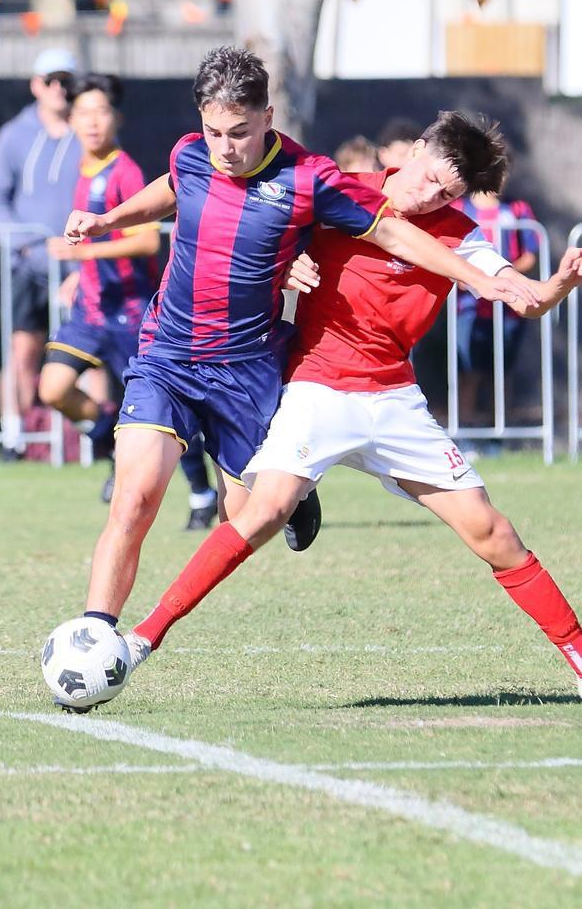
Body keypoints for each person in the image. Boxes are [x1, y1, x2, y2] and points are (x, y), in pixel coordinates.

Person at [58, 49, 533, 685]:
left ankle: (296, 494)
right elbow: (171, 191)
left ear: (268, 118)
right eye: (213, 132)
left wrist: (483, 278)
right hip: (167, 355)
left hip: (248, 368)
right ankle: (96, 637)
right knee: (136, 497)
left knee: (244, 514)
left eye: (239, 133)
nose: (224, 148)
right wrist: (108, 218)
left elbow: (393, 233)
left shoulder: (312, 178)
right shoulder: (189, 153)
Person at [122, 110, 582, 701]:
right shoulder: (338, 191)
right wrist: (287, 264)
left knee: (493, 533)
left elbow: (524, 299)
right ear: (413, 150)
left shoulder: (460, 234)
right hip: (318, 386)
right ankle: (142, 639)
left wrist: (558, 286)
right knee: (261, 514)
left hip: (393, 400)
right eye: (428, 179)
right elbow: (258, 240)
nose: (429, 196)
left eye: (447, 193)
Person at [38, 72, 217, 519]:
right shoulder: (81, 170)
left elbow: (145, 241)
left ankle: (201, 492)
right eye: (84, 113)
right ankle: (111, 443)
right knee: (52, 387)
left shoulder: (125, 170)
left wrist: (86, 252)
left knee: (165, 408)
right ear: (72, 120)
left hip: (131, 313)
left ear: (115, 117)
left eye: (101, 112)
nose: (93, 122)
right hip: (91, 311)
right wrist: (82, 275)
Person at [0, 47, 83, 461]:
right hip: (28, 266)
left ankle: (91, 440)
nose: (59, 88)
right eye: (51, 80)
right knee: (22, 350)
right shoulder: (13, 134)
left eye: (67, 80)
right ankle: (16, 439)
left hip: (80, 268)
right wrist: (24, 244)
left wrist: (89, 255)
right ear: (36, 85)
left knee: (87, 356)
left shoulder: (92, 131)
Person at [455, 190, 540, 439]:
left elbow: (529, 254)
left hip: (507, 308)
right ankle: (466, 435)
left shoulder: (517, 210)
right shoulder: (461, 209)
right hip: (470, 307)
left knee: (501, 371)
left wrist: (500, 276)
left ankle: (497, 436)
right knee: (468, 370)